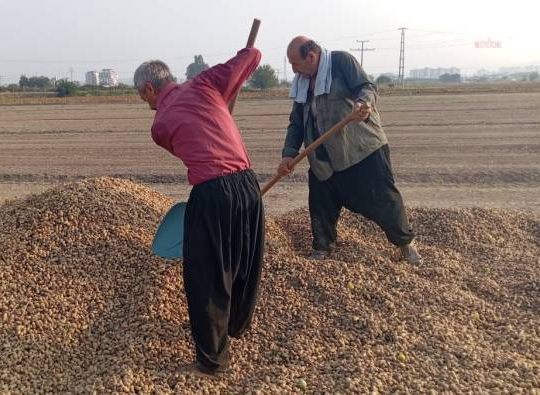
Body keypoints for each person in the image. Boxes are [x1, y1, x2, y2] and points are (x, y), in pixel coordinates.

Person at [133, 47, 265, 376]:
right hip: (248, 184)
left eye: (141, 95)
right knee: (243, 259)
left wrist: (218, 103)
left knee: (206, 275)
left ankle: (212, 361)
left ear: (150, 88)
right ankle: (235, 325)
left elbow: (184, 144)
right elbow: (253, 56)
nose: (143, 102)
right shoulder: (205, 83)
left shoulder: (159, 125)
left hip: (212, 192)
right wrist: (222, 96)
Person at [277, 36, 422, 265]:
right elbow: (297, 121)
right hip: (322, 154)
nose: (293, 69)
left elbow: (367, 87)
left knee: (383, 198)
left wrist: (363, 104)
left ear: (311, 57)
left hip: (360, 148)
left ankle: (404, 242)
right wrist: (288, 153)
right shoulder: (302, 83)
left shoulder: (340, 61)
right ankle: (322, 248)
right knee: (321, 200)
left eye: (295, 63)